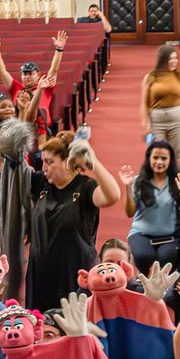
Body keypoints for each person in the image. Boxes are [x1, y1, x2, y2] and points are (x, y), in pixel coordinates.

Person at [25, 132, 120, 312]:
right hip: (41, 274)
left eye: (49, 162)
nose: (44, 167)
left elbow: (113, 196)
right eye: (43, 161)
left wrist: (93, 161)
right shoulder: (41, 183)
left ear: (67, 162)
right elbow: (4, 177)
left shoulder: (86, 187)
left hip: (74, 274)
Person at [119, 141, 180, 275]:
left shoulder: (177, 182)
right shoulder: (138, 181)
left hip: (170, 236)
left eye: (164, 158)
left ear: (170, 160)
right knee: (143, 256)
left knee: (167, 260)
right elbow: (129, 213)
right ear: (149, 158)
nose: (159, 162)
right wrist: (127, 186)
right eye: (155, 158)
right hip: (141, 234)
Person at [140, 44, 180, 154]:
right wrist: (145, 125)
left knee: (175, 154)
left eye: (176, 58)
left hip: (178, 119)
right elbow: (145, 104)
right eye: (171, 59)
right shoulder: (150, 77)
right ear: (163, 60)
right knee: (157, 152)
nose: (174, 61)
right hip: (157, 120)